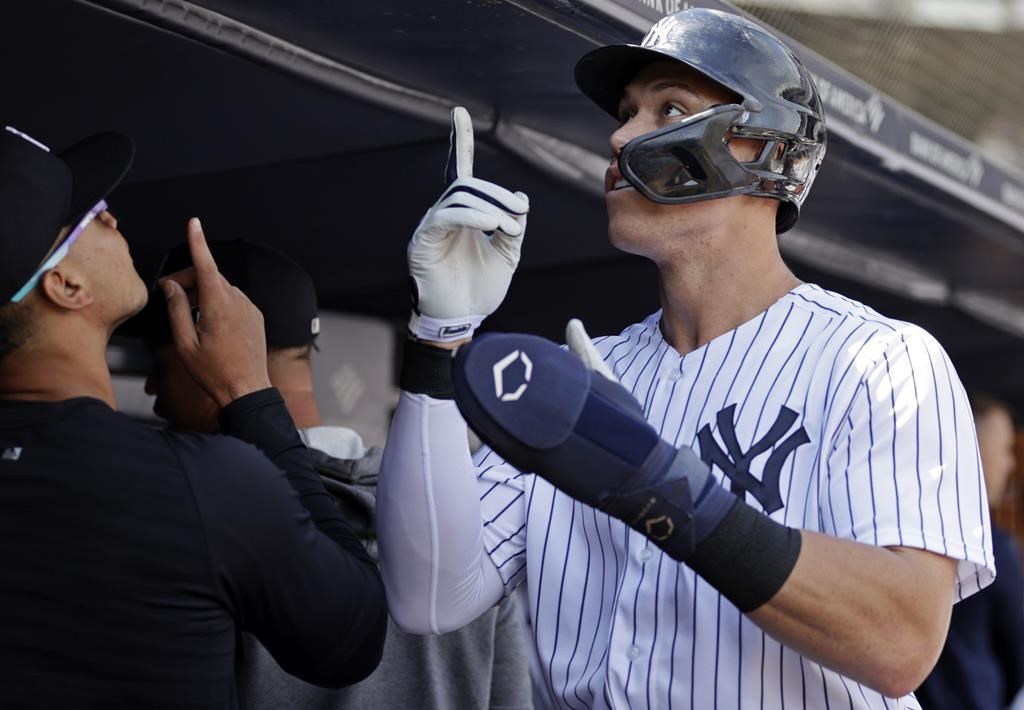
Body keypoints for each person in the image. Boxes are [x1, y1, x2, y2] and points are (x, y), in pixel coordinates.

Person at [376, 8, 994, 709]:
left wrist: (655, 483)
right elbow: (428, 596)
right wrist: (440, 334)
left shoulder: (880, 362)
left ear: (763, 149)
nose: (619, 136)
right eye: (626, 111)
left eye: (669, 108)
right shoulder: (578, 378)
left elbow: (901, 643)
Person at [0, 125, 386, 709]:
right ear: (66, 284)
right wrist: (249, 390)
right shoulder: (202, 484)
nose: (109, 218)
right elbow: (352, 638)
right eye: (89, 212)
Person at [138, 239, 534, 710]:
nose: (150, 386)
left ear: (210, 347)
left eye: (159, 361)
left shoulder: (209, 517)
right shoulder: (462, 508)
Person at [917, 394, 1024, 709]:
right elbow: (1017, 643)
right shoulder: (987, 540)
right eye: (1004, 449)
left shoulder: (908, 524)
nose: (1011, 463)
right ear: (972, 446)